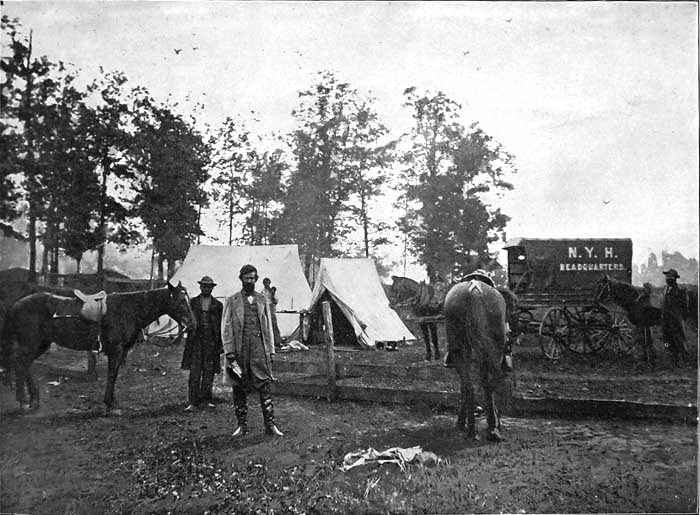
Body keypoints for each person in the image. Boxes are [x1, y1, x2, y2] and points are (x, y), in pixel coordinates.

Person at [222, 264, 283, 437]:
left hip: (258, 349)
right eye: (247, 278)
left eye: (253, 278)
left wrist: (271, 350)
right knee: (238, 386)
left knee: (265, 386)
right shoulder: (232, 301)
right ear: (241, 278)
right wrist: (229, 352)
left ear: (256, 279)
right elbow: (226, 328)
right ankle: (242, 425)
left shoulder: (262, 300)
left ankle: (270, 425)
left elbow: (268, 327)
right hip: (240, 351)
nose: (250, 281)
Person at [181, 275, 223, 411]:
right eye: (204, 285)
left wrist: (220, 344)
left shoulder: (218, 305)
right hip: (196, 341)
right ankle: (193, 402)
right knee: (195, 371)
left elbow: (221, 325)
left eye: (208, 286)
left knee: (208, 372)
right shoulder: (193, 302)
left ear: (212, 288)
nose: (206, 288)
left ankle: (205, 400)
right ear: (200, 286)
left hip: (211, 341)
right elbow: (186, 319)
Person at [661, 269, 691, 366]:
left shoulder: (680, 291)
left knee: (679, 340)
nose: (668, 279)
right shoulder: (665, 289)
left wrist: (679, 317)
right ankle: (674, 360)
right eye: (667, 277)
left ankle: (686, 360)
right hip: (666, 320)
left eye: (670, 277)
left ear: (674, 279)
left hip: (675, 320)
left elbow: (685, 308)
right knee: (668, 340)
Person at [634, 282, 656, 367]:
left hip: (647, 323)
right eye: (644, 288)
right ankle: (644, 357)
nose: (644, 290)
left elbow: (652, 311)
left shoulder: (650, 299)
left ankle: (650, 359)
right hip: (641, 323)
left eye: (646, 289)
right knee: (642, 340)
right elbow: (637, 309)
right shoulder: (641, 298)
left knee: (649, 340)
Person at [262, 277, 282, 347]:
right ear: (263, 284)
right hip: (265, 308)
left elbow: (275, 301)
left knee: (274, 324)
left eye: (268, 283)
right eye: (265, 283)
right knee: (266, 325)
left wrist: (273, 294)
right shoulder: (262, 292)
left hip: (271, 307)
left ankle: (277, 341)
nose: (267, 284)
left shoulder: (272, 291)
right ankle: (268, 342)